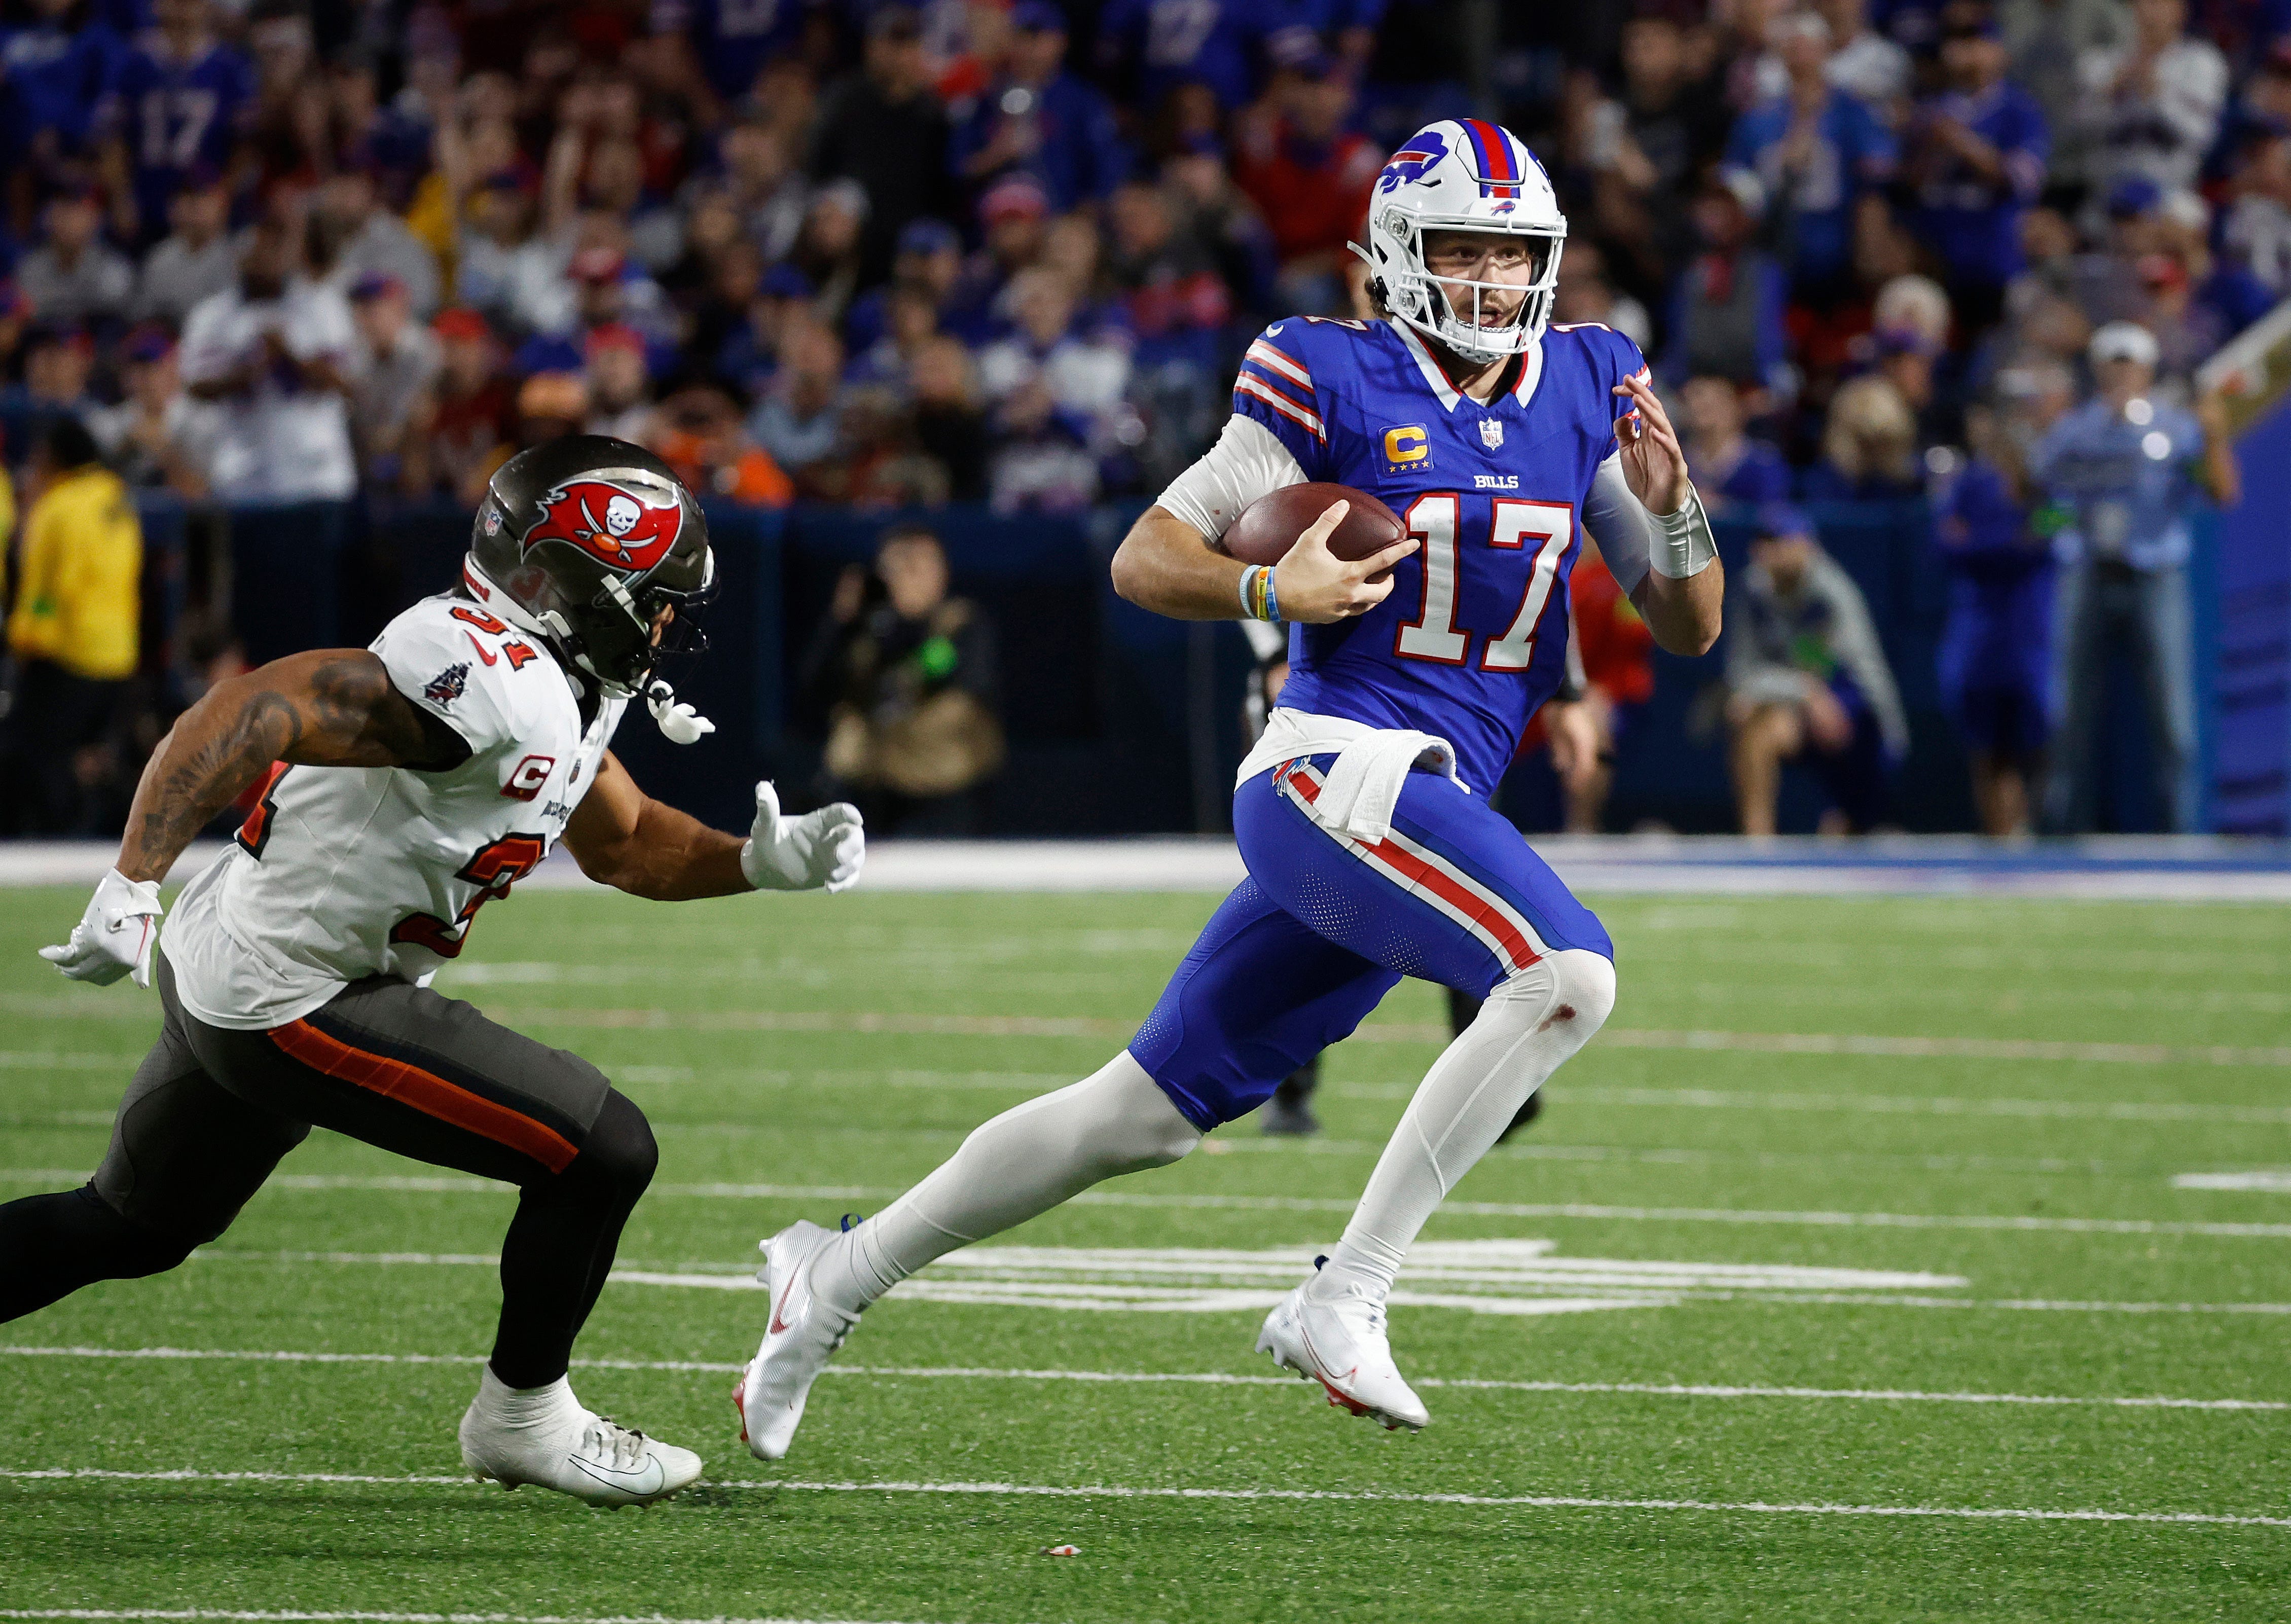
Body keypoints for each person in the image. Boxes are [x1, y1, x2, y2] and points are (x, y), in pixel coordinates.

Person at [732, 119, 1723, 1455]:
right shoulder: (1330, 371)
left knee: (1129, 1117)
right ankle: (1346, 1293)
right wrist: (1269, 586)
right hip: (1325, 765)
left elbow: (1689, 625)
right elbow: (1145, 555)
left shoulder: (1583, 383)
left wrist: (1670, 512)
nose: (1490, 282)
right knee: (1566, 973)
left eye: (1510, 253)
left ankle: (827, 1274)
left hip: (1415, 801)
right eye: (1461, 251)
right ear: (1395, 257)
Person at [5, 437, 865, 1508]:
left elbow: (627, 840)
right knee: (600, 1148)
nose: (664, 627)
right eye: (652, 600)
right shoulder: (483, 670)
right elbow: (249, 708)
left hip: (239, 959)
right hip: (294, 993)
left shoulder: (555, 676)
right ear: (585, 591)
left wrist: (755, 863)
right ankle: (523, 1415)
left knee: (127, 1225)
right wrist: (134, 872)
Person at [2032, 320, 2237, 832]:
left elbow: (2221, 494)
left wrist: (2214, 438)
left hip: (2155, 569)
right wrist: (2051, 530)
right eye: (2112, 365)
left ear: (2147, 371)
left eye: (2130, 365)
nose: (2122, 375)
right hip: (2087, 569)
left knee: (2173, 717)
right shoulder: (2073, 431)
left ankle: (2183, 838)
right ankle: (2059, 835)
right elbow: (2042, 503)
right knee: (2068, 715)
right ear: (2099, 371)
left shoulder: (2174, 430)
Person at [800, 524, 1006, 835]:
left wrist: (909, 624)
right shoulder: (865, 627)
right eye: (898, 566)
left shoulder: (961, 623)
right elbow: (815, 691)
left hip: (943, 787)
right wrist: (840, 623)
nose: (910, 578)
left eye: (921, 566)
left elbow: (970, 682)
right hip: (869, 786)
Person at [1935, 373, 2068, 836]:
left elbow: (2048, 537)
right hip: (1981, 630)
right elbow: (1948, 545)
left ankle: (2031, 827)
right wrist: (2010, 542)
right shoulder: (1971, 484)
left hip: (2030, 629)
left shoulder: (2048, 481)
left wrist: (1985, 545)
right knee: (1985, 743)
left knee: (2036, 738)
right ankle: (2000, 834)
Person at [1725, 502, 1907, 835]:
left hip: (1854, 709)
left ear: (1804, 545)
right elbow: (1742, 673)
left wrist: (1890, 735)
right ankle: (1756, 843)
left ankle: (1849, 819)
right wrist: (1801, 691)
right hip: (1804, 704)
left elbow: (1838, 672)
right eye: (1762, 540)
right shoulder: (1752, 589)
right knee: (1751, 720)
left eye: (1777, 540)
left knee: (1846, 831)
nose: (1766, 551)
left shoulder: (1829, 593)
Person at [1, 417, 140, 834]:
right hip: (119, 659)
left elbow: (44, 593)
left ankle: (46, 836)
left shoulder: (58, 508)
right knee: (86, 756)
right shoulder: (118, 501)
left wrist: (26, 640)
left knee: (29, 751)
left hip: (69, 656)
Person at [178, 216, 358, 503]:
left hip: (316, 473)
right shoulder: (212, 315)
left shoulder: (322, 305)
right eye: (258, 251)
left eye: (275, 249)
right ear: (240, 259)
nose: (267, 259)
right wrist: (249, 370)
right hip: (242, 473)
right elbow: (194, 385)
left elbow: (346, 385)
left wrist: (290, 355)